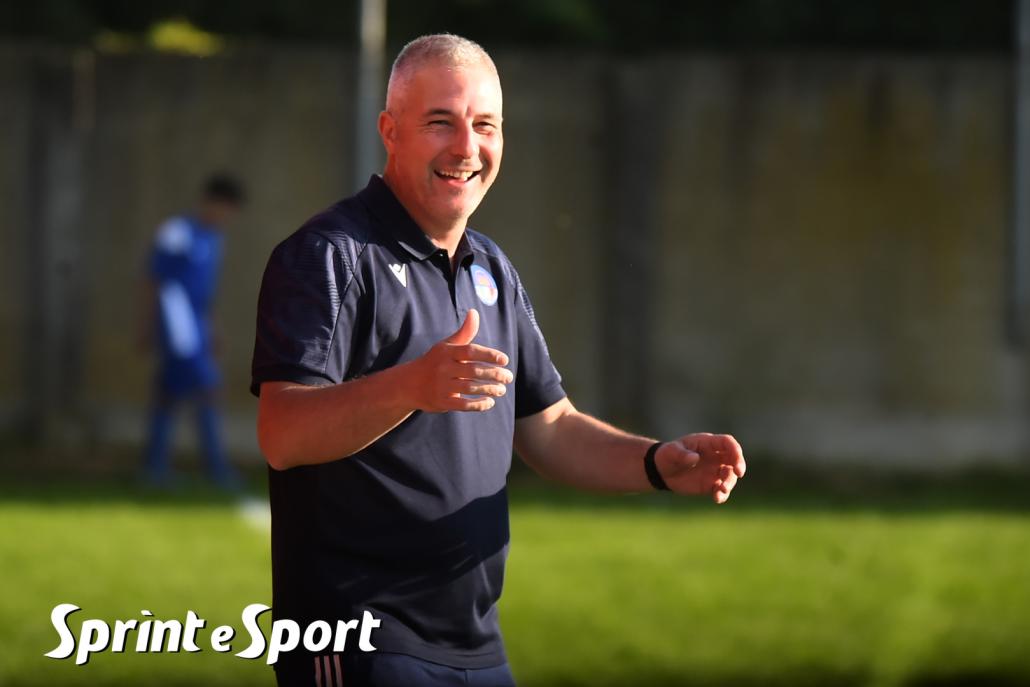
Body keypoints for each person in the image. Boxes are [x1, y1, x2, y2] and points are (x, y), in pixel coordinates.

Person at [252, 34, 745, 687]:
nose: (466, 146)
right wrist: (410, 386)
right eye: (440, 122)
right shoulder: (329, 255)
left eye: (485, 125)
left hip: (477, 647)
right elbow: (282, 433)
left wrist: (656, 463)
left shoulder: (490, 267)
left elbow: (550, 427)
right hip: (359, 641)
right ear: (390, 131)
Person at [142, 173, 245, 489]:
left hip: (196, 327)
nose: (227, 217)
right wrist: (147, 325)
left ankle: (154, 468)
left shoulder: (214, 239)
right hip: (177, 326)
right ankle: (216, 470)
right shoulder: (177, 232)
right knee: (208, 389)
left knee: (168, 394)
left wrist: (213, 328)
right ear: (210, 202)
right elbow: (152, 280)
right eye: (225, 208)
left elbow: (204, 293)